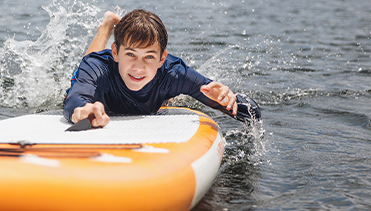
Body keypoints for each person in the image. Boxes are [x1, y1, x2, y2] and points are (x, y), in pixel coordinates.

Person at [63, 9, 261, 127]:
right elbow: (74, 99)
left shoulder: (174, 73)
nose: (139, 67)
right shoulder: (98, 67)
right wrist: (83, 109)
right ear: (115, 52)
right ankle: (106, 27)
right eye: (130, 54)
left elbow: (253, 113)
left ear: (162, 58)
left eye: (149, 57)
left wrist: (231, 101)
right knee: (87, 62)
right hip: (98, 72)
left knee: (169, 95)